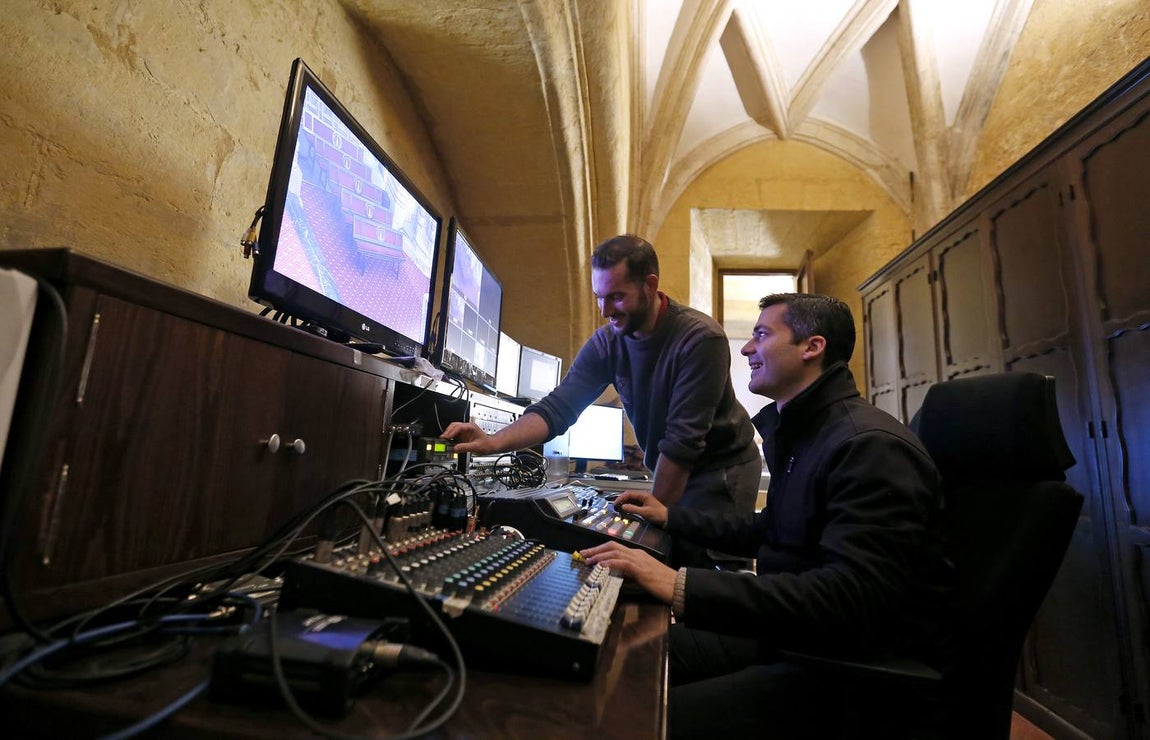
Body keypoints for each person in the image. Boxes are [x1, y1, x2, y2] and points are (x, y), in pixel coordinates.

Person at [580, 293, 953, 738]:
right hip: (799, 637)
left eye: (762, 334)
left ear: (811, 347)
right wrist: (672, 516)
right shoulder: (812, 431)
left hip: (848, 666)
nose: (746, 348)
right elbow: (770, 529)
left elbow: (852, 596)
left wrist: (679, 584)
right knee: (619, 650)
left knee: (632, 715)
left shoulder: (868, 446)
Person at [442, 234, 761, 568]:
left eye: (617, 297)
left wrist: (646, 536)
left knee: (702, 566)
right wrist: (494, 442)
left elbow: (682, 444)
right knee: (664, 553)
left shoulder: (699, 339)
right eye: (599, 297)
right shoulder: (608, 341)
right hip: (673, 464)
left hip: (721, 470)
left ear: (650, 285)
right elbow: (557, 408)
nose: (606, 310)